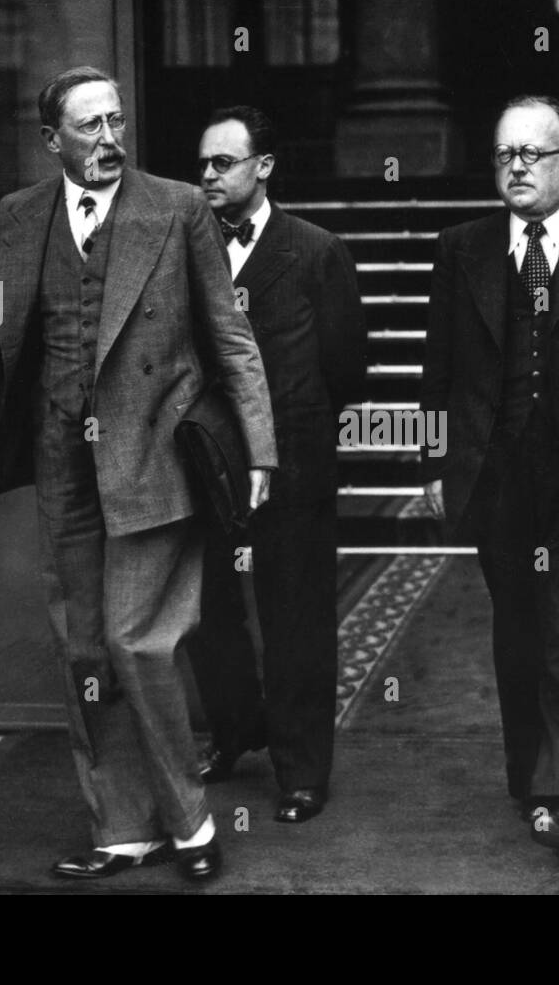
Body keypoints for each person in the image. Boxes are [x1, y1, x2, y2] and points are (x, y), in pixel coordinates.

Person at [0, 66, 276, 883]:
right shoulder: (20, 214)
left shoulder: (177, 209)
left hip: (152, 455)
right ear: (53, 142)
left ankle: (191, 821)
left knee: (135, 641)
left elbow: (232, 338)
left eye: (116, 121)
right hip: (63, 461)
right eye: (90, 127)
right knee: (84, 650)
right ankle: (124, 827)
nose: (110, 139)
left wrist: (261, 449)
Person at [420, 95, 559, 861]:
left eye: (531, 154)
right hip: (496, 471)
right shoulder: (463, 247)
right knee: (519, 633)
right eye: (504, 155)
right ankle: (534, 780)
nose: (516, 167)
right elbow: (439, 367)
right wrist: (432, 461)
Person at [186, 106, 365, 824]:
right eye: (202, 164)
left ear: (264, 167)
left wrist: (292, 426)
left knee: (297, 618)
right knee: (209, 613)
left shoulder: (316, 251)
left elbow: (348, 367)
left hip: (293, 463)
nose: (207, 176)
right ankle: (234, 733)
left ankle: (301, 771)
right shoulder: (184, 245)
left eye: (222, 163)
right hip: (204, 458)